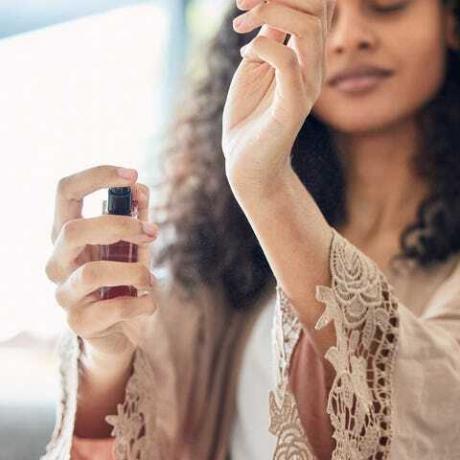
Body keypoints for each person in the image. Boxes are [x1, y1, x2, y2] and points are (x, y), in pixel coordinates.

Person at [41, 0, 460, 458]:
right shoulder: (226, 256)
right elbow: (139, 428)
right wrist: (106, 349)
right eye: (323, 14)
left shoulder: (269, 202)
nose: (348, 37)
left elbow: (432, 410)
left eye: (387, 5)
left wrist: (267, 185)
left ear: (451, 21)